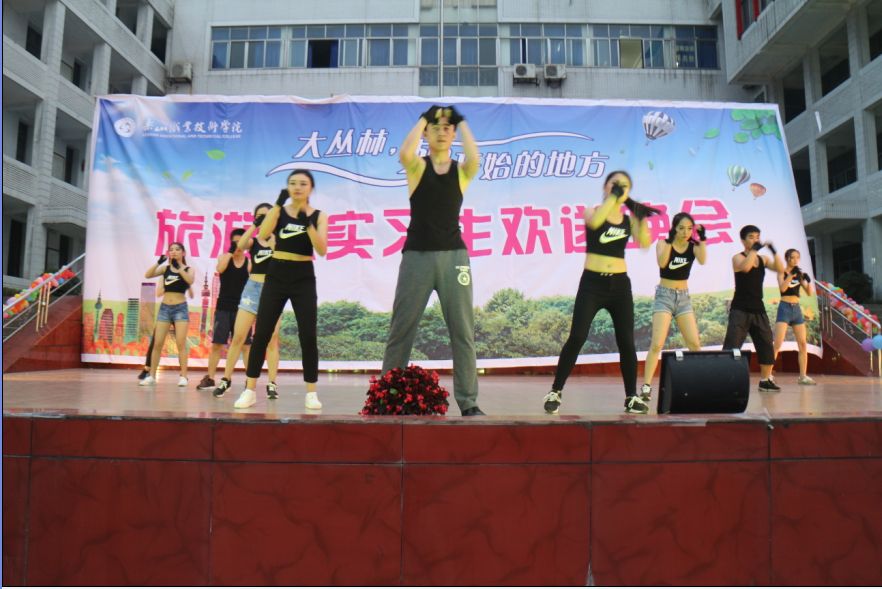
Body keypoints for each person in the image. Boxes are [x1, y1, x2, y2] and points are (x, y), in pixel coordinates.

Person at [380, 105, 484, 417]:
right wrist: (425, 118)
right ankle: (386, 397)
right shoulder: (417, 167)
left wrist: (462, 122)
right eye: (435, 128)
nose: (441, 132)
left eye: (447, 128)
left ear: (453, 135)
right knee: (401, 328)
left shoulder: (460, 172)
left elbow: (475, 159)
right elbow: (404, 152)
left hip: (454, 257)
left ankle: (469, 402)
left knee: (463, 331)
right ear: (426, 133)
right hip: (417, 256)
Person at [544, 170, 655, 415]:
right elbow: (595, 223)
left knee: (626, 341)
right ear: (605, 187)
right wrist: (613, 198)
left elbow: (645, 242)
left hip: (620, 286)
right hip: (592, 284)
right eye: (615, 184)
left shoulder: (627, 219)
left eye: (624, 186)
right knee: (577, 336)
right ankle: (556, 390)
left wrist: (640, 217)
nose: (619, 188)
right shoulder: (592, 211)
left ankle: (631, 396)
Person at [232, 171, 328, 409]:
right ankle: (250, 390)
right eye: (293, 183)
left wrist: (307, 223)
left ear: (311, 188)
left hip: (303, 276)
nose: (297, 187)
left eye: (303, 184)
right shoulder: (280, 212)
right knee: (262, 334)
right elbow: (264, 234)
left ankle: (311, 392)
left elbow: (322, 249)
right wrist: (276, 205)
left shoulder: (318, 215)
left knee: (308, 335)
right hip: (276, 275)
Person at [212, 203, 283, 399]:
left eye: (267, 216)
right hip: (252, 289)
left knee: (272, 339)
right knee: (238, 337)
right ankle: (226, 379)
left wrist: (273, 234)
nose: (264, 219)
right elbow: (241, 245)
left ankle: (272, 383)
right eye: (260, 216)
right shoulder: (253, 241)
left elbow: (280, 255)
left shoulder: (280, 239)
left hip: (273, 290)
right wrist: (255, 225)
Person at [640, 212, 707, 403]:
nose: (686, 232)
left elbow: (703, 260)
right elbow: (662, 262)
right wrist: (670, 241)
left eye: (689, 229)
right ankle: (646, 386)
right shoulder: (663, 243)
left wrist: (702, 238)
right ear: (674, 228)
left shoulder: (693, 245)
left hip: (684, 298)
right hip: (665, 296)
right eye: (681, 228)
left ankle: (702, 382)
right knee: (657, 344)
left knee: (694, 344)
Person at [722, 224, 783, 392]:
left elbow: (780, 268)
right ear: (743, 241)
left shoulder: (763, 259)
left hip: (758, 308)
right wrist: (754, 250)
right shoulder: (737, 257)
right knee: (733, 344)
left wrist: (774, 251)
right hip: (740, 308)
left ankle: (765, 380)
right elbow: (746, 267)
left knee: (766, 345)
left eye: (757, 237)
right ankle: (724, 380)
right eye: (751, 237)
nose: (755, 240)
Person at [197, 228, 252, 390]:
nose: (238, 246)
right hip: (223, 308)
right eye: (235, 242)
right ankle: (210, 378)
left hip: (243, 309)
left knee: (245, 346)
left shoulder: (249, 263)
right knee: (217, 344)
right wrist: (230, 252)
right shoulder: (224, 258)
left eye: (241, 242)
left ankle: (250, 380)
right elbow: (220, 269)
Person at [139, 242, 196, 386]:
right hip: (165, 308)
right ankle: (152, 376)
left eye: (177, 249)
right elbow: (148, 274)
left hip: (180, 308)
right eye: (171, 250)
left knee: (181, 343)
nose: (174, 252)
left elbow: (190, 280)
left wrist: (179, 267)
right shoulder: (165, 269)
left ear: (183, 253)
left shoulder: (188, 269)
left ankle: (184, 376)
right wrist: (159, 262)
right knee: (157, 343)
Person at [773, 248, 817, 385]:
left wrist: (808, 281)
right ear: (787, 258)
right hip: (784, 307)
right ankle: (767, 375)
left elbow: (809, 292)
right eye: (793, 257)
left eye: (798, 257)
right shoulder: (782, 272)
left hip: (796, 309)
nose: (796, 260)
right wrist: (791, 275)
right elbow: (782, 288)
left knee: (802, 344)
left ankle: (803, 376)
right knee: (777, 343)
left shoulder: (799, 274)